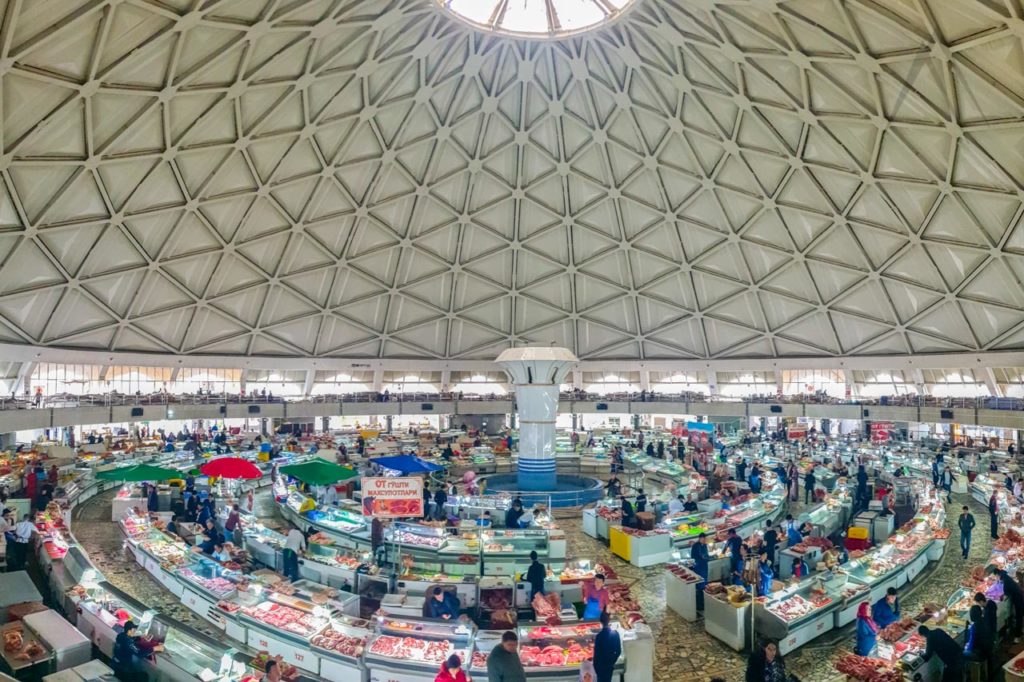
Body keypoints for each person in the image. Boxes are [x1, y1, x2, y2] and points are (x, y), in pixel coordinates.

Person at [964, 604, 994, 680]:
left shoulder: (974, 627)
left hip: (979, 654)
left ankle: (967, 674)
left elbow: (970, 646)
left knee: (962, 653)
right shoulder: (985, 620)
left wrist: (966, 646)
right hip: (988, 650)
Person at [994, 567, 1024, 641]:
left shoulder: (1006, 582)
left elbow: (1005, 596)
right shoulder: (1006, 576)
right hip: (1019, 596)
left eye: (996, 577)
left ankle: (1018, 636)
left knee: (1018, 616)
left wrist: (1000, 597)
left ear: (997, 575)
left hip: (1018, 599)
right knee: (1019, 615)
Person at [592, 611, 621, 682]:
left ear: (600, 622)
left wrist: (596, 667)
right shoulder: (615, 634)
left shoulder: (599, 636)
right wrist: (612, 662)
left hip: (600, 666)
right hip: (609, 665)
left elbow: (596, 654)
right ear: (609, 620)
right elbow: (618, 651)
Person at [691, 533, 710, 611]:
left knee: (705, 586)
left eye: (705, 539)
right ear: (700, 538)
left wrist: (707, 557)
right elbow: (696, 556)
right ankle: (699, 605)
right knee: (700, 587)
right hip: (699, 568)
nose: (705, 540)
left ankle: (704, 603)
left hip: (704, 567)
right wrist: (704, 558)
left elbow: (706, 555)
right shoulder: (696, 546)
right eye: (704, 539)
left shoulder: (704, 545)